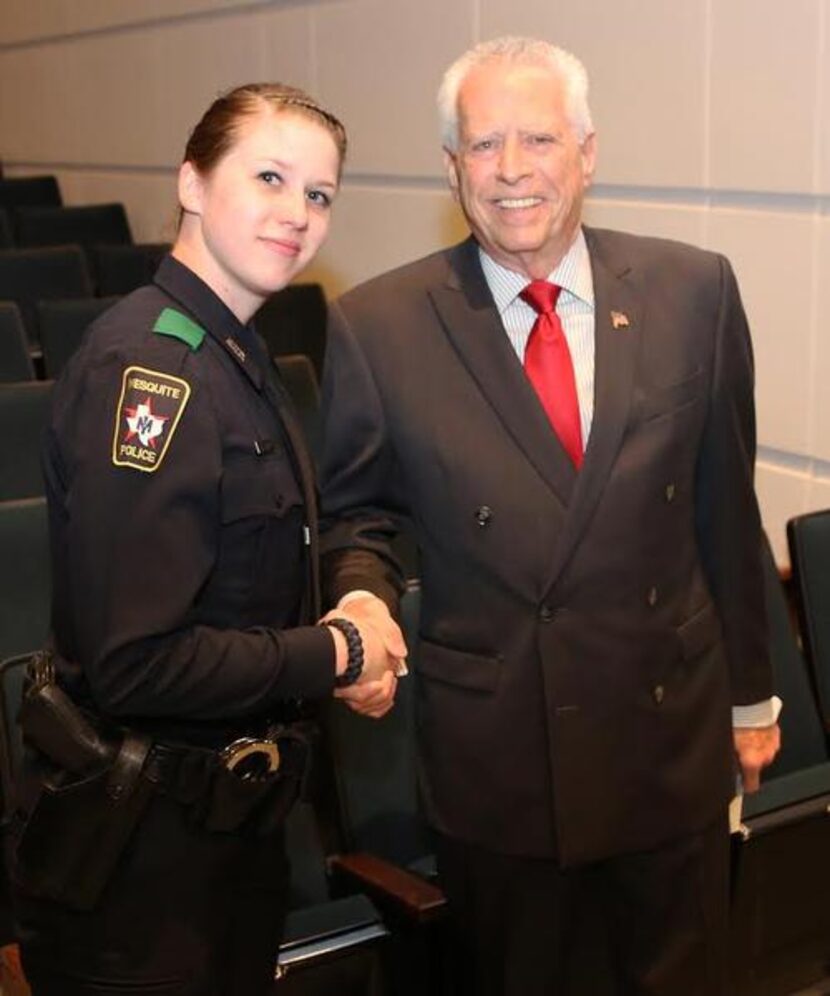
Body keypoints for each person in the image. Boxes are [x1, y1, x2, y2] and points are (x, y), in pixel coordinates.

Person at [318, 37, 781, 996]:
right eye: (484, 146)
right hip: (501, 768)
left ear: (588, 151)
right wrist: (360, 599)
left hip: (670, 739)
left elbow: (725, 512)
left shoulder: (695, 290)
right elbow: (357, 520)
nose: (513, 170)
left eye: (539, 138)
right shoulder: (379, 324)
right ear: (452, 170)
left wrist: (752, 700)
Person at [11, 82, 402, 996]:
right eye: (269, 177)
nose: (298, 214)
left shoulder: (231, 347)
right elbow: (138, 663)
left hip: (224, 832)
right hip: (141, 866)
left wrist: (351, 595)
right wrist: (337, 652)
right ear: (191, 182)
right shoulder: (149, 372)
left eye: (319, 194)